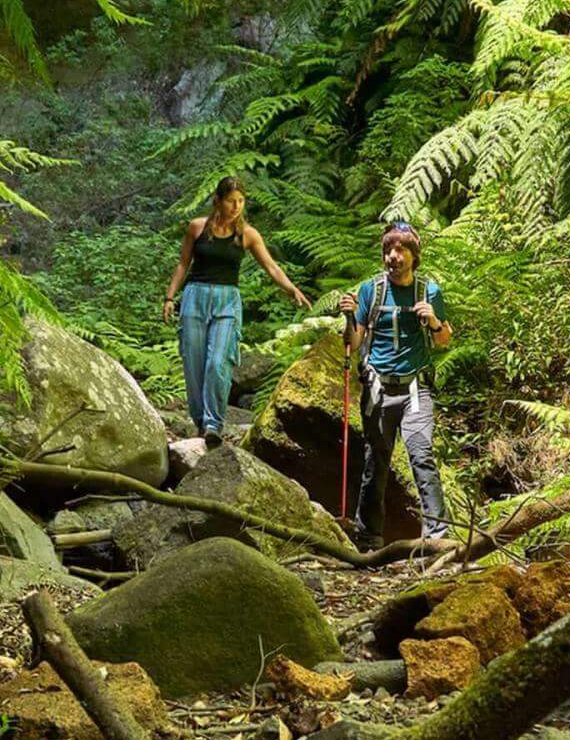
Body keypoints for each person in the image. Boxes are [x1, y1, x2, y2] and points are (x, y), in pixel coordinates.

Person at [163, 175, 311, 442]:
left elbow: (271, 266)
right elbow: (183, 264)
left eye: (241, 201)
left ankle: (213, 425)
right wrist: (170, 298)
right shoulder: (197, 228)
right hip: (195, 297)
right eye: (231, 201)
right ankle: (199, 421)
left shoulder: (248, 234)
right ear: (217, 201)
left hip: (227, 301)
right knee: (194, 362)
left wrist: (291, 289)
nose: (236, 207)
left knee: (218, 362)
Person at [340, 219, 452, 543]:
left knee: (421, 456)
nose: (393, 255)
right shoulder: (369, 291)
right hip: (378, 389)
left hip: (416, 389)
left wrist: (432, 320)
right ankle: (367, 539)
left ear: (414, 256)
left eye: (400, 249)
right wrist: (349, 316)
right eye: (389, 249)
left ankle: (436, 539)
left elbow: (444, 338)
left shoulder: (428, 291)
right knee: (376, 464)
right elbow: (354, 342)